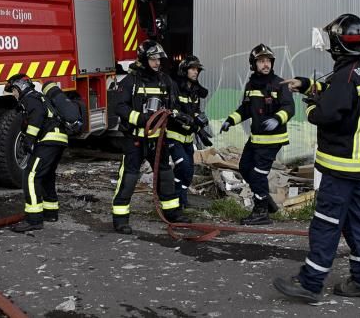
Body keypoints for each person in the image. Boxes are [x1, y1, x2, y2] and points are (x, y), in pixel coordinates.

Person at [273, 13, 360, 303]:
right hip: (356, 167)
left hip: (339, 166)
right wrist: (306, 84)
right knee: (355, 222)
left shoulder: (346, 76)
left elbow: (327, 112)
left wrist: (308, 108)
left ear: (339, 45)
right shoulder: (358, 71)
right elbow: (331, 91)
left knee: (325, 222)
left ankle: (311, 283)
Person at [110, 40, 191, 234]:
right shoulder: (131, 81)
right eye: (153, 59)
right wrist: (141, 118)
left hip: (158, 139)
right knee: (129, 177)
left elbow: (174, 105)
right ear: (144, 59)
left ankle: (172, 212)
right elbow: (119, 107)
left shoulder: (165, 81)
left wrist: (183, 116)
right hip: (135, 140)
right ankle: (120, 218)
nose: (157, 63)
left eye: (158, 60)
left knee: (165, 174)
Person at [219, 43, 294, 225]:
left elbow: (289, 107)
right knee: (245, 168)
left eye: (268, 60)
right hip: (256, 139)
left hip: (272, 140)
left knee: (259, 174)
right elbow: (245, 109)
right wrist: (231, 120)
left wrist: (278, 118)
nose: (265, 64)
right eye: (261, 61)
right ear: (254, 64)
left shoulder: (279, 84)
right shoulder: (251, 85)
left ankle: (261, 212)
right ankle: (267, 203)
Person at [6, 73, 70, 233]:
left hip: (48, 140)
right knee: (46, 175)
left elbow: (37, 116)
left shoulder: (30, 98)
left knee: (31, 176)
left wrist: (29, 139)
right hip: (58, 139)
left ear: (21, 87)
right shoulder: (38, 97)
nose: (13, 95)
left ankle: (34, 220)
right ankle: (51, 213)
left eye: (13, 90)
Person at [167, 55, 209, 208]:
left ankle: (182, 200)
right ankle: (174, 199)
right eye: (192, 69)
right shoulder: (175, 87)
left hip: (188, 139)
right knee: (183, 166)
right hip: (174, 137)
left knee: (189, 172)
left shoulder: (194, 90)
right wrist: (192, 122)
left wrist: (201, 127)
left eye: (197, 69)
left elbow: (195, 112)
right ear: (184, 71)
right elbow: (174, 113)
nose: (196, 72)